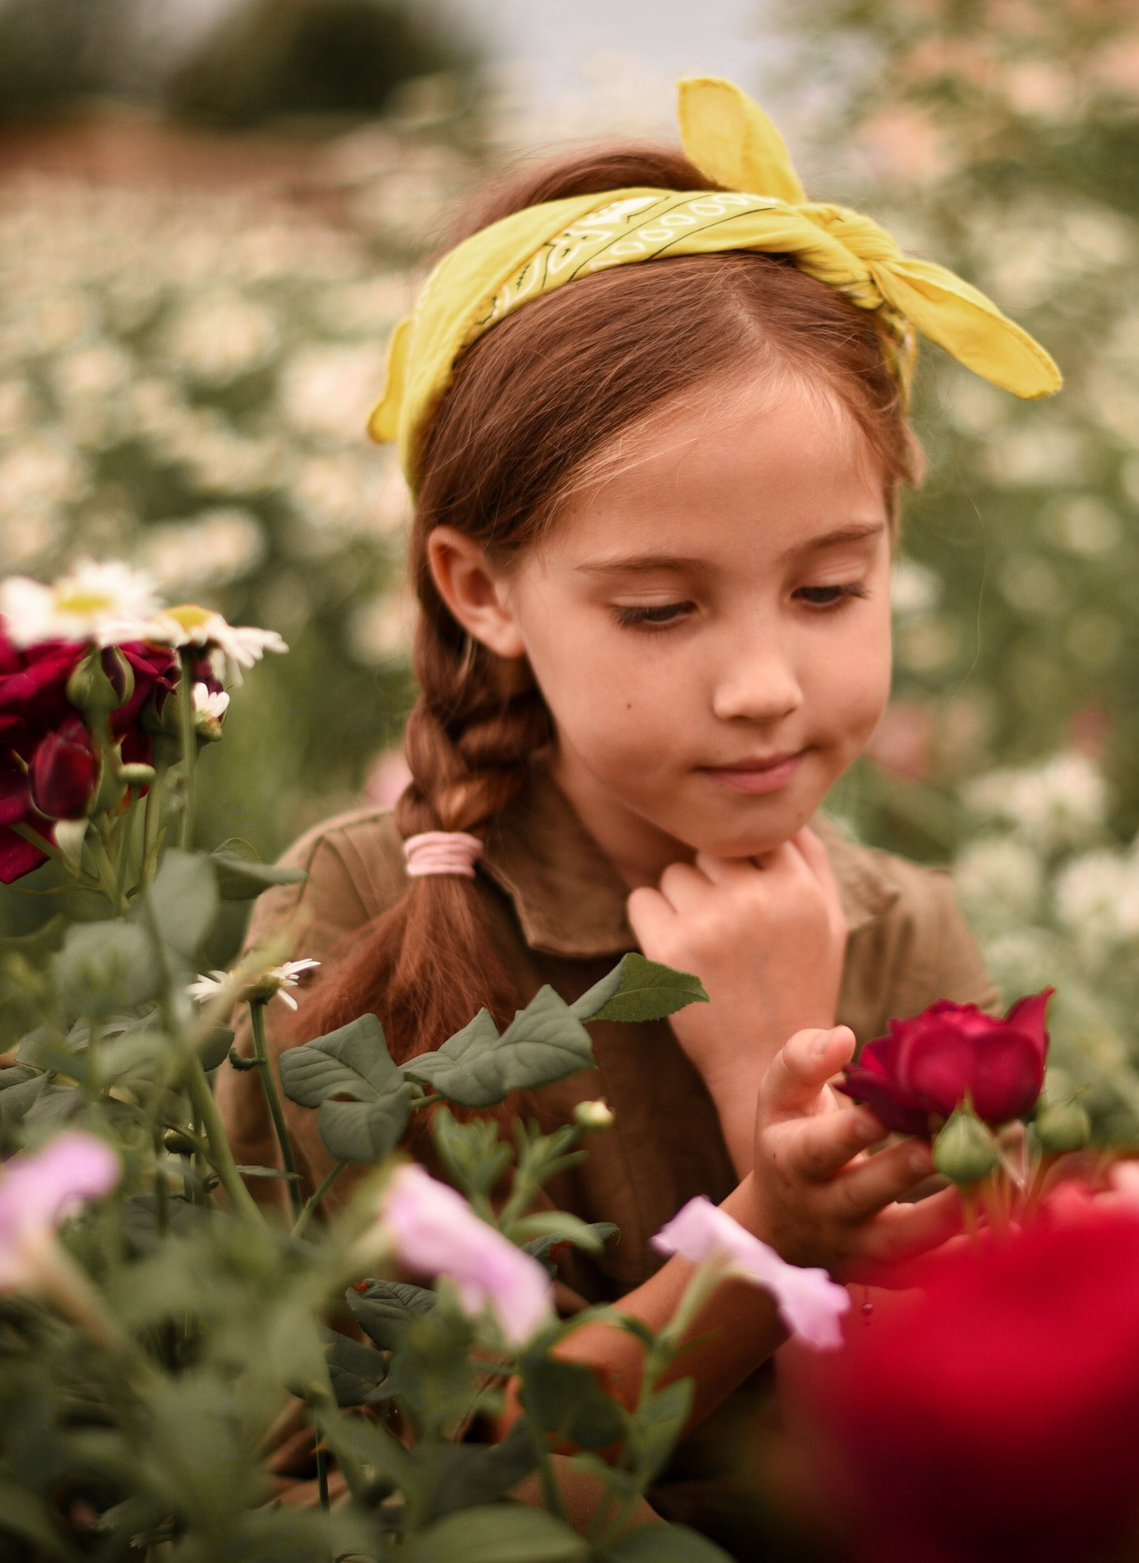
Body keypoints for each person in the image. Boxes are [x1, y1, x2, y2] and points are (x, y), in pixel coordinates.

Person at [222, 77, 1061, 1537]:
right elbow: (370, 1493)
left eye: (829, 588)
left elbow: (1004, 1465)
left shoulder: (902, 932)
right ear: (481, 589)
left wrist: (777, 1100)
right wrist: (764, 1237)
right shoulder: (355, 922)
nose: (763, 687)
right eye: (664, 608)